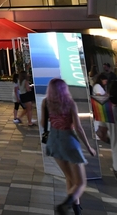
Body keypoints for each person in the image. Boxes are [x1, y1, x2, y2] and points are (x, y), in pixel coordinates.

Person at [41, 78, 95, 214]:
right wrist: (89, 147)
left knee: (69, 177)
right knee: (81, 183)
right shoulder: (70, 103)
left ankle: (76, 207)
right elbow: (78, 128)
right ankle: (66, 204)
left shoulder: (45, 102)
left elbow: (42, 123)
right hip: (68, 141)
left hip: (53, 141)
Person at [92, 72, 110, 142]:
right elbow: (98, 95)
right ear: (101, 80)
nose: (105, 83)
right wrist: (106, 95)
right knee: (98, 121)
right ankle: (97, 134)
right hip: (99, 105)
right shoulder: (98, 86)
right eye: (105, 81)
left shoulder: (100, 87)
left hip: (101, 106)